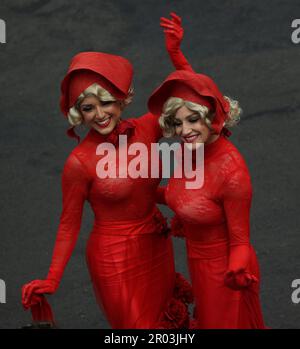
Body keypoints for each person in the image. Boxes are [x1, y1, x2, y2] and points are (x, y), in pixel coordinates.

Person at [21, 13, 194, 329]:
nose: (100, 115)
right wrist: (52, 278)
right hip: (115, 259)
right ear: (78, 114)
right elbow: (68, 224)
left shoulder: (146, 129)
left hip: (156, 245)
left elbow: (194, 99)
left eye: (106, 103)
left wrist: (176, 56)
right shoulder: (79, 162)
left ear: (122, 99)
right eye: (88, 108)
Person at [148, 68, 266, 329]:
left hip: (224, 271)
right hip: (199, 264)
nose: (185, 130)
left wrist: (236, 270)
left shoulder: (231, 172)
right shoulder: (187, 151)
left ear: (210, 117)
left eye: (193, 120)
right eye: (178, 123)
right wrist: (135, 191)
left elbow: (240, 242)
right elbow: (184, 197)